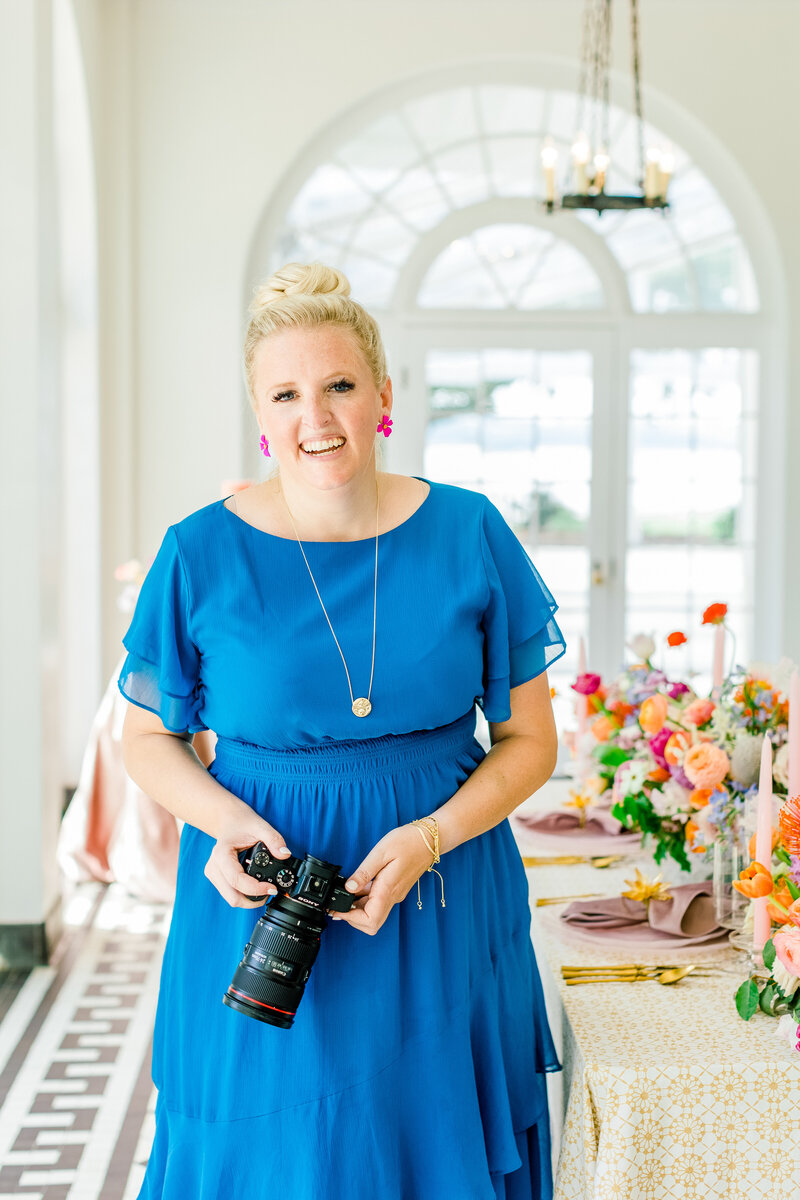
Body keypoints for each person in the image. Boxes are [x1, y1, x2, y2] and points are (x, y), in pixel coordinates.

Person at [118, 261, 567, 1200]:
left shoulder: (468, 530)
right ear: (258, 408)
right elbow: (146, 739)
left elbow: (530, 740)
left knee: (436, 1154)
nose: (314, 418)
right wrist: (228, 826)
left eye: (338, 386)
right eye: (285, 394)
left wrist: (433, 833)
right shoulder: (198, 551)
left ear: (383, 395)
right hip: (264, 909)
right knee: (271, 1163)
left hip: (443, 893)